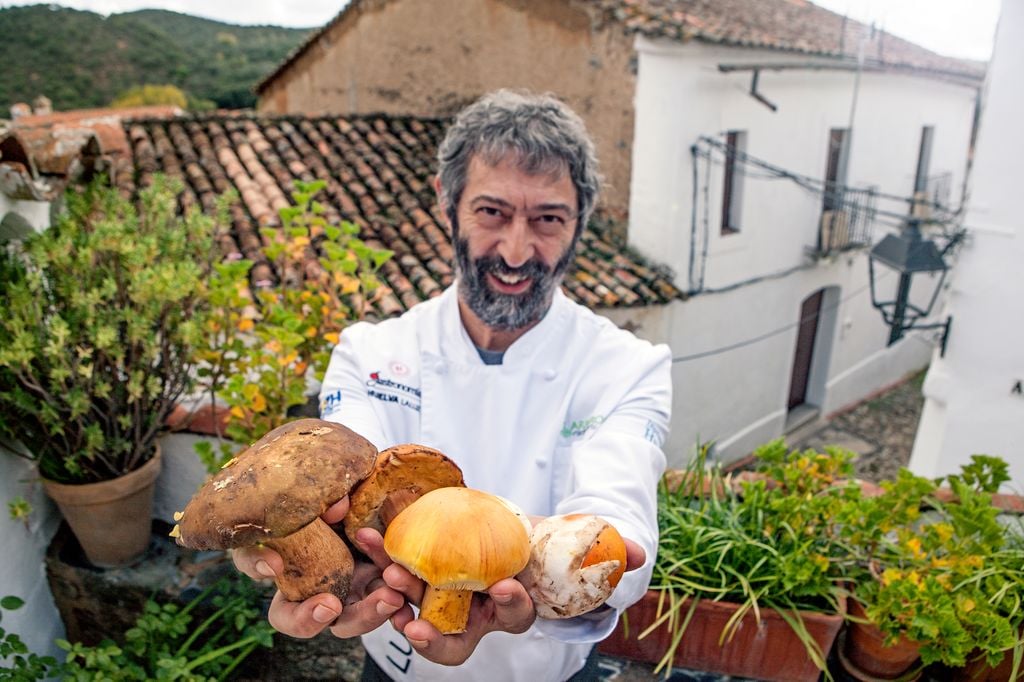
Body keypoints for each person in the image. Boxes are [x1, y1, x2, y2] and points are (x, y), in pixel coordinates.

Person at [233, 89, 672, 681]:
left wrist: (580, 553)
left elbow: (618, 526)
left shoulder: (627, 366)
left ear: (579, 223)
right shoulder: (371, 352)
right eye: (492, 213)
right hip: (393, 663)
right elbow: (341, 481)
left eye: (548, 219)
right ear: (448, 203)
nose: (517, 251)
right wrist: (282, 535)